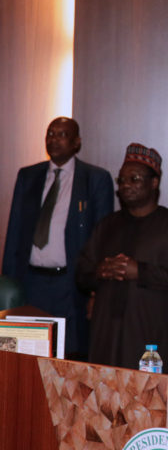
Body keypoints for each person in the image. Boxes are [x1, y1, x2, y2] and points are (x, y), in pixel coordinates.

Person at [77, 143, 168, 370]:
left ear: (154, 183)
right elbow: (81, 275)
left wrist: (140, 271)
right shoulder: (107, 226)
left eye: (134, 179)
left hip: (149, 342)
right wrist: (100, 271)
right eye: (121, 180)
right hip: (106, 339)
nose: (125, 186)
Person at [2, 116, 114, 357]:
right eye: (50, 134)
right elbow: (14, 233)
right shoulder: (28, 176)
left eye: (62, 134)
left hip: (71, 284)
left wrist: (97, 291)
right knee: (23, 356)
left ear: (76, 142)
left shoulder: (95, 179)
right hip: (31, 282)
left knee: (69, 355)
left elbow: (103, 239)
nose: (53, 139)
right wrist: (8, 284)